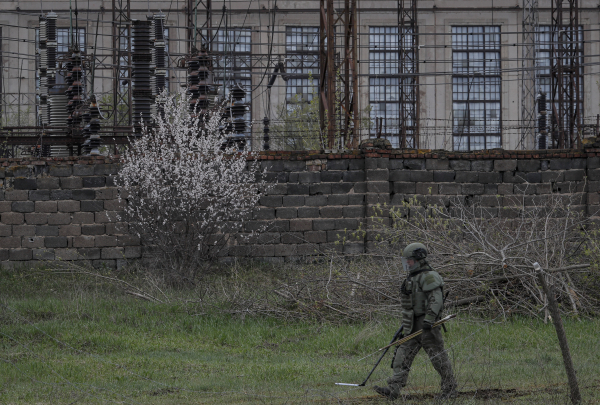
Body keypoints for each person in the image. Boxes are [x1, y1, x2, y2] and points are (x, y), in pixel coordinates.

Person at [373, 243, 457, 400]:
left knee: (437, 357)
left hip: (427, 324)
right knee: (401, 355)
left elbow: (436, 300)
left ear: (419, 259)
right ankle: (393, 390)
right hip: (411, 325)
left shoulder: (429, 276)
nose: (407, 264)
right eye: (406, 260)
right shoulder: (412, 277)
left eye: (410, 260)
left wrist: (430, 319)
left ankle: (450, 389)